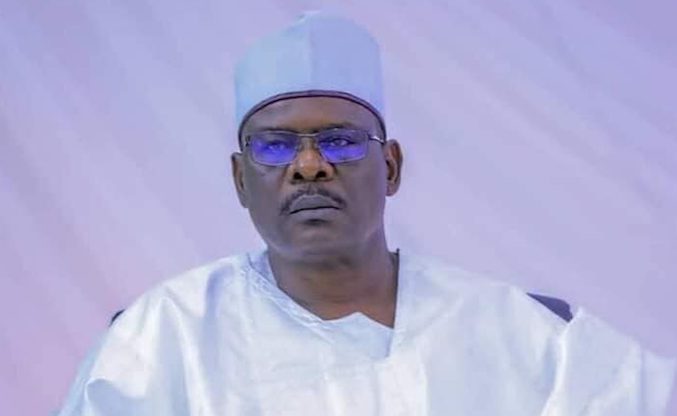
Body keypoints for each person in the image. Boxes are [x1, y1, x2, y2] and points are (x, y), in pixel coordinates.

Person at [58, 11, 675, 415]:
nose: (309, 165)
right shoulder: (159, 342)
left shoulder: (527, 334)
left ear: (392, 167)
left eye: (340, 140)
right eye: (275, 146)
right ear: (240, 180)